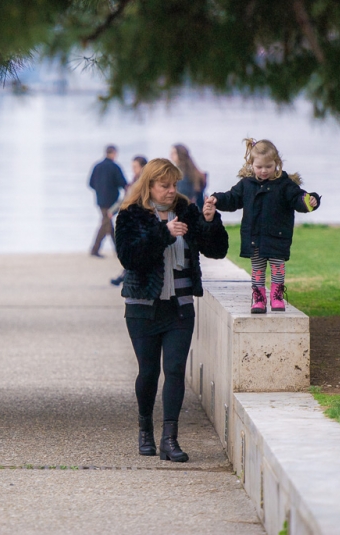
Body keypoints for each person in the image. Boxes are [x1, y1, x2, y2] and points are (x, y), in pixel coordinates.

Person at [114, 158, 228, 462]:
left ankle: (170, 439)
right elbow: (128, 257)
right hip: (143, 307)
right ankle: (144, 431)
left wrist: (210, 221)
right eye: (165, 185)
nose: (171, 190)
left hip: (180, 306)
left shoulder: (185, 209)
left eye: (174, 184)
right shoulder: (130, 215)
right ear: (149, 185)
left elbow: (216, 250)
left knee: (175, 370)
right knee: (148, 372)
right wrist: (164, 233)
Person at [207, 138, 320, 314]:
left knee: (277, 267)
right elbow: (232, 198)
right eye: (259, 167)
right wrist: (217, 199)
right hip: (255, 237)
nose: (264, 171)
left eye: (268, 166)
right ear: (251, 165)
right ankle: (258, 298)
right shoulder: (246, 184)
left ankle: (277, 296)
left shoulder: (285, 185)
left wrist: (310, 201)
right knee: (257, 269)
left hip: (277, 235)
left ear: (277, 164)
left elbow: (298, 199)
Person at [111, 155, 147, 286]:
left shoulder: (144, 183)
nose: (133, 170)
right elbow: (125, 199)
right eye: (132, 167)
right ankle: (125, 275)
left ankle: (125, 276)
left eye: (135, 167)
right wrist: (113, 211)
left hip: (138, 222)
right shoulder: (134, 182)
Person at [88, 145, 127, 257]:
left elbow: (90, 183)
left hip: (100, 200)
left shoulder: (97, 166)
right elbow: (123, 183)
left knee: (107, 223)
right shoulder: (115, 167)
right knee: (106, 223)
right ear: (114, 153)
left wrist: (99, 190)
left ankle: (117, 248)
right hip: (112, 201)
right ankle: (96, 249)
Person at [170, 144, 207, 209]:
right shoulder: (195, 172)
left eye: (173, 153)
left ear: (180, 154)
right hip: (198, 209)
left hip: (185, 210)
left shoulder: (179, 174)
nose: (171, 156)